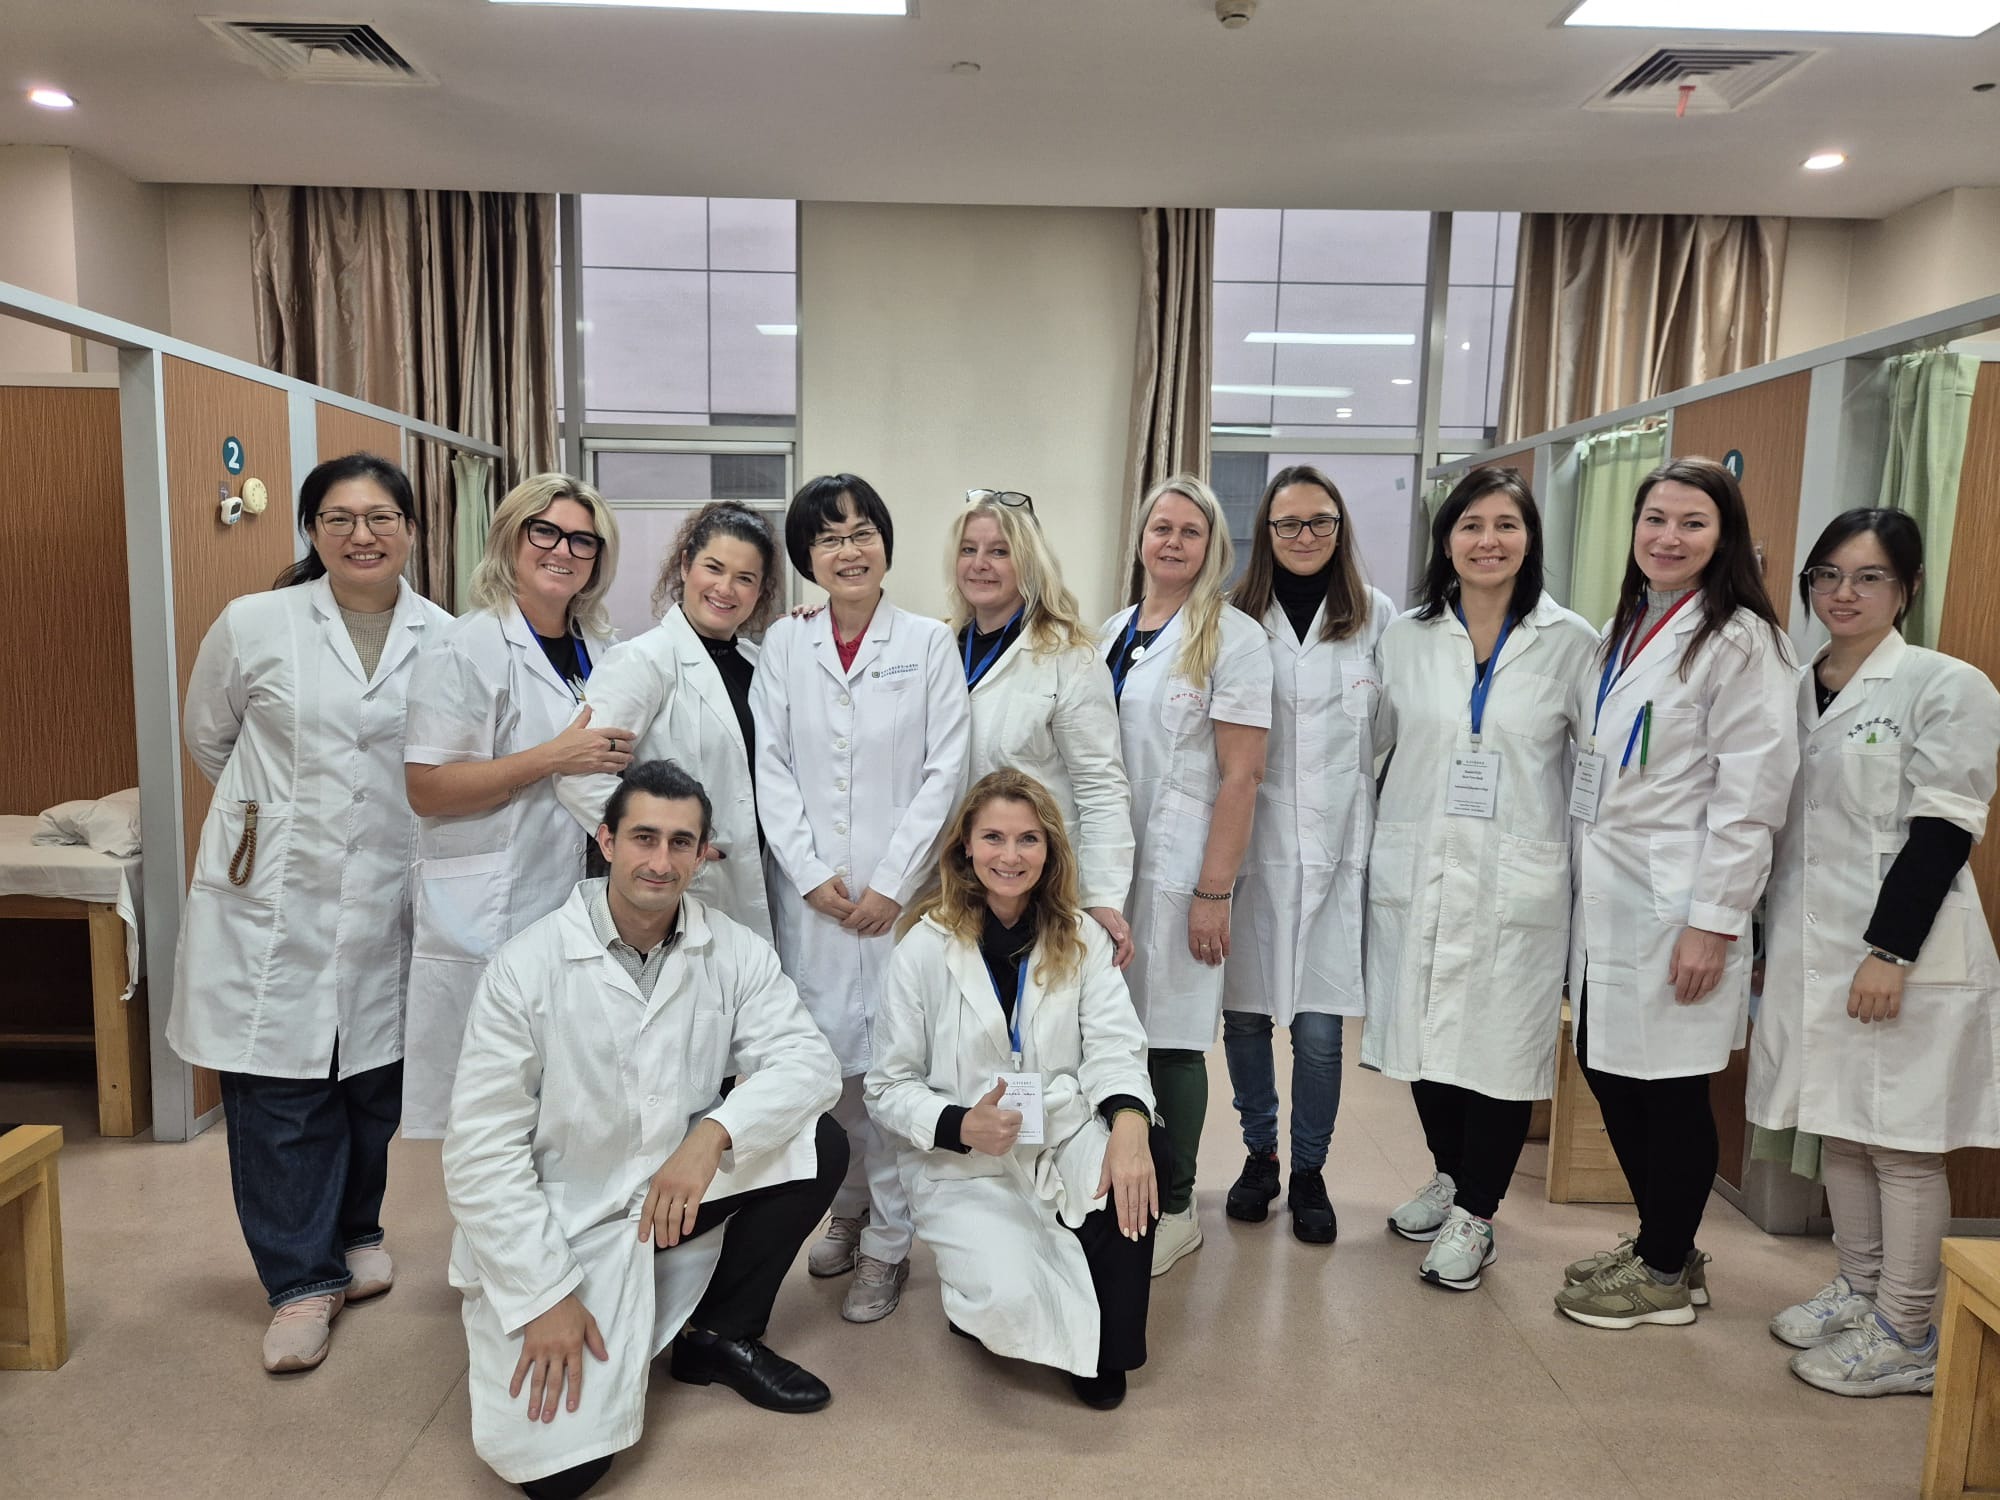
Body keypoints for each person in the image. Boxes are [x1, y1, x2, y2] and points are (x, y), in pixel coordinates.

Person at [444, 760, 845, 1499]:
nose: (661, 861)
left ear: (702, 855)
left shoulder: (731, 949)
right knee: (561, 1478)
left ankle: (719, 1335)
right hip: (564, 1220)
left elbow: (810, 1064)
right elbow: (479, 1153)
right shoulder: (525, 969)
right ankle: (582, 1302)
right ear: (606, 841)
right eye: (644, 838)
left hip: (668, 1190)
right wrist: (543, 1295)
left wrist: (713, 1134)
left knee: (817, 1143)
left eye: (681, 843)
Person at [166, 452, 451, 1372]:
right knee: (279, 1089)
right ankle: (299, 1281)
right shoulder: (255, 623)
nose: (361, 535)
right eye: (339, 518)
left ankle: (357, 1230)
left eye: (380, 517)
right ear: (312, 531)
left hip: (389, 889)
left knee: (372, 1082)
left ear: (411, 530)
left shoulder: (445, 637)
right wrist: (278, 826)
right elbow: (210, 735)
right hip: (274, 893)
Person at [1748, 508, 2000, 1397]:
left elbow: (1944, 829)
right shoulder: (1792, 685)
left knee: (1902, 1144)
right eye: (1827, 576)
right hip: (1812, 946)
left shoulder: (1945, 685)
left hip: (1904, 952)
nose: (1843, 594)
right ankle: (1859, 1290)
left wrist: (1890, 952)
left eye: (1868, 577)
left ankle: (1907, 1331)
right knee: (1841, 1128)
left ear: (1908, 587)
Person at [1557, 456, 1798, 1330]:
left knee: (1671, 1087)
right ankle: (1669, 1242)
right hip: (1613, 892)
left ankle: (1662, 1271)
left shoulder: (1743, 642)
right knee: (1608, 1065)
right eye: (1655, 519)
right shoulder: (1625, 627)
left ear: (1724, 536)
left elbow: (1752, 799)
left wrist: (1714, 923)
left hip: (1680, 901)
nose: (1668, 537)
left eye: (1693, 522)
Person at [1362, 467, 1596, 1289]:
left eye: (1506, 525)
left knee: (1498, 1049)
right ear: (1447, 540)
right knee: (1424, 1039)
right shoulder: (1406, 638)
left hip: (1514, 877)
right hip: (1421, 864)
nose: (1487, 541)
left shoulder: (1571, 642)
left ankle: (1479, 1214)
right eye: (1471, 525)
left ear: (1530, 540)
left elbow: (1594, 770)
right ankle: (1451, 1176)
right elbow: (1373, 748)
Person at [867, 770, 1167, 1409]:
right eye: (994, 838)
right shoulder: (923, 948)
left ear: (1050, 849)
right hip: (966, 1159)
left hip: (1063, 1132)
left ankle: (1107, 1351)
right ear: (966, 847)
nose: (1010, 855)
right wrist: (957, 1123)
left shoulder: (1082, 937)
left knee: (1139, 1165)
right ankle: (978, 1298)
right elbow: (887, 1086)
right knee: (1007, 1294)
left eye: (1028, 839)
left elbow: (1116, 1044)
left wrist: (1131, 1125)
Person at [752, 473, 972, 1322]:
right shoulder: (784, 643)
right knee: (829, 1072)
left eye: (861, 533)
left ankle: (889, 1242)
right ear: (807, 557)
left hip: (896, 903)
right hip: (812, 900)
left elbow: (945, 769)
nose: (848, 551)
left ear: (885, 542)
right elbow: (770, 763)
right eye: (828, 538)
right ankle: (847, 1209)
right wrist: (809, 873)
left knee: (893, 1071)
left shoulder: (928, 643)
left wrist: (892, 883)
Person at [401, 474, 627, 1140]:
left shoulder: (601, 650)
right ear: (510, 538)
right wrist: (552, 757)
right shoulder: (464, 646)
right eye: (545, 531)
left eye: (583, 540)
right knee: (495, 1114)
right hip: (492, 909)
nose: (563, 550)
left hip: (581, 898)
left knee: (571, 1108)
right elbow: (427, 788)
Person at [1102, 473, 1273, 1275]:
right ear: (1141, 538)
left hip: (1179, 869)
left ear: (1213, 547)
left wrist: (1213, 892)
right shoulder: (1112, 631)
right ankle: (1120, 1184)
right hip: (1109, 867)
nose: (1172, 542)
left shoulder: (1233, 638)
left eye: (1190, 531)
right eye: (1160, 528)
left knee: (1171, 1038)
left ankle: (1176, 1207)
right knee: (1111, 1032)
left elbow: (1242, 776)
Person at [1220, 465, 1393, 1245]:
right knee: (1247, 1017)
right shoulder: (1233, 616)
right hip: (1252, 845)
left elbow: (1388, 731)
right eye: (1287, 523)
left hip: (1336, 851)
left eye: (1320, 521)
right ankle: (1260, 1154)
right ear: (1266, 532)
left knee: (1321, 1034)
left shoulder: (1376, 617)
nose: (1304, 535)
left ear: (1340, 528)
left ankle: (1310, 1171)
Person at [557, 502, 781, 939]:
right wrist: (664, 846)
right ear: (684, 565)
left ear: (760, 590)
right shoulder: (642, 661)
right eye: (713, 568)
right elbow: (577, 777)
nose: (725, 588)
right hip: (680, 887)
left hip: (754, 880)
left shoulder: (760, 664)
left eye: (745, 578)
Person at [947, 488, 1134, 963]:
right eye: (968, 549)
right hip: (955, 878)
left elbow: (1101, 787)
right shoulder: (939, 646)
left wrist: (1102, 896)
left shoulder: (1070, 657)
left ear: (1029, 562)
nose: (979, 564)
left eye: (999, 551)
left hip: (1039, 883)